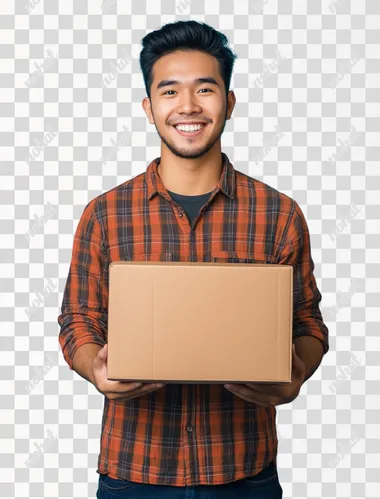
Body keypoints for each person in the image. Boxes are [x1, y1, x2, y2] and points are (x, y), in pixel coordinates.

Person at [58, 20, 329, 499]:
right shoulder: (104, 214)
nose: (188, 106)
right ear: (149, 108)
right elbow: (78, 318)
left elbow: (308, 322)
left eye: (205, 89)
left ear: (228, 102)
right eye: (170, 91)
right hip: (134, 472)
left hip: (244, 470)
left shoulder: (279, 213)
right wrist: (92, 366)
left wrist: (296, 376)